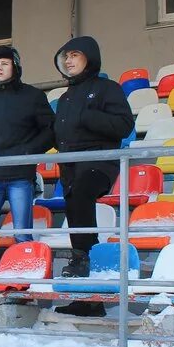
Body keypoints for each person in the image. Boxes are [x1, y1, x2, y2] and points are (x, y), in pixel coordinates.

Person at [52, 35, 135, 317]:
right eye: (66, 56)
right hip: (70, 166)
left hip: (99, 161)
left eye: (75, 55)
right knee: (75, 213)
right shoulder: (64, 97)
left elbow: (124, 126)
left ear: (89, 57)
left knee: (83, 196)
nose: (69, 60)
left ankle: (87, 263)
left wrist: (89, 117)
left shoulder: (106, 88)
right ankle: (88, 298)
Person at [0, 47, 55, 276]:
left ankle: (23, 281)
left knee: (22, 234)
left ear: (15, 67)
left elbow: (49, 130)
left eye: (4, 63)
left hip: (20, 176)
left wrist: (30, 151)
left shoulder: (33, 96)